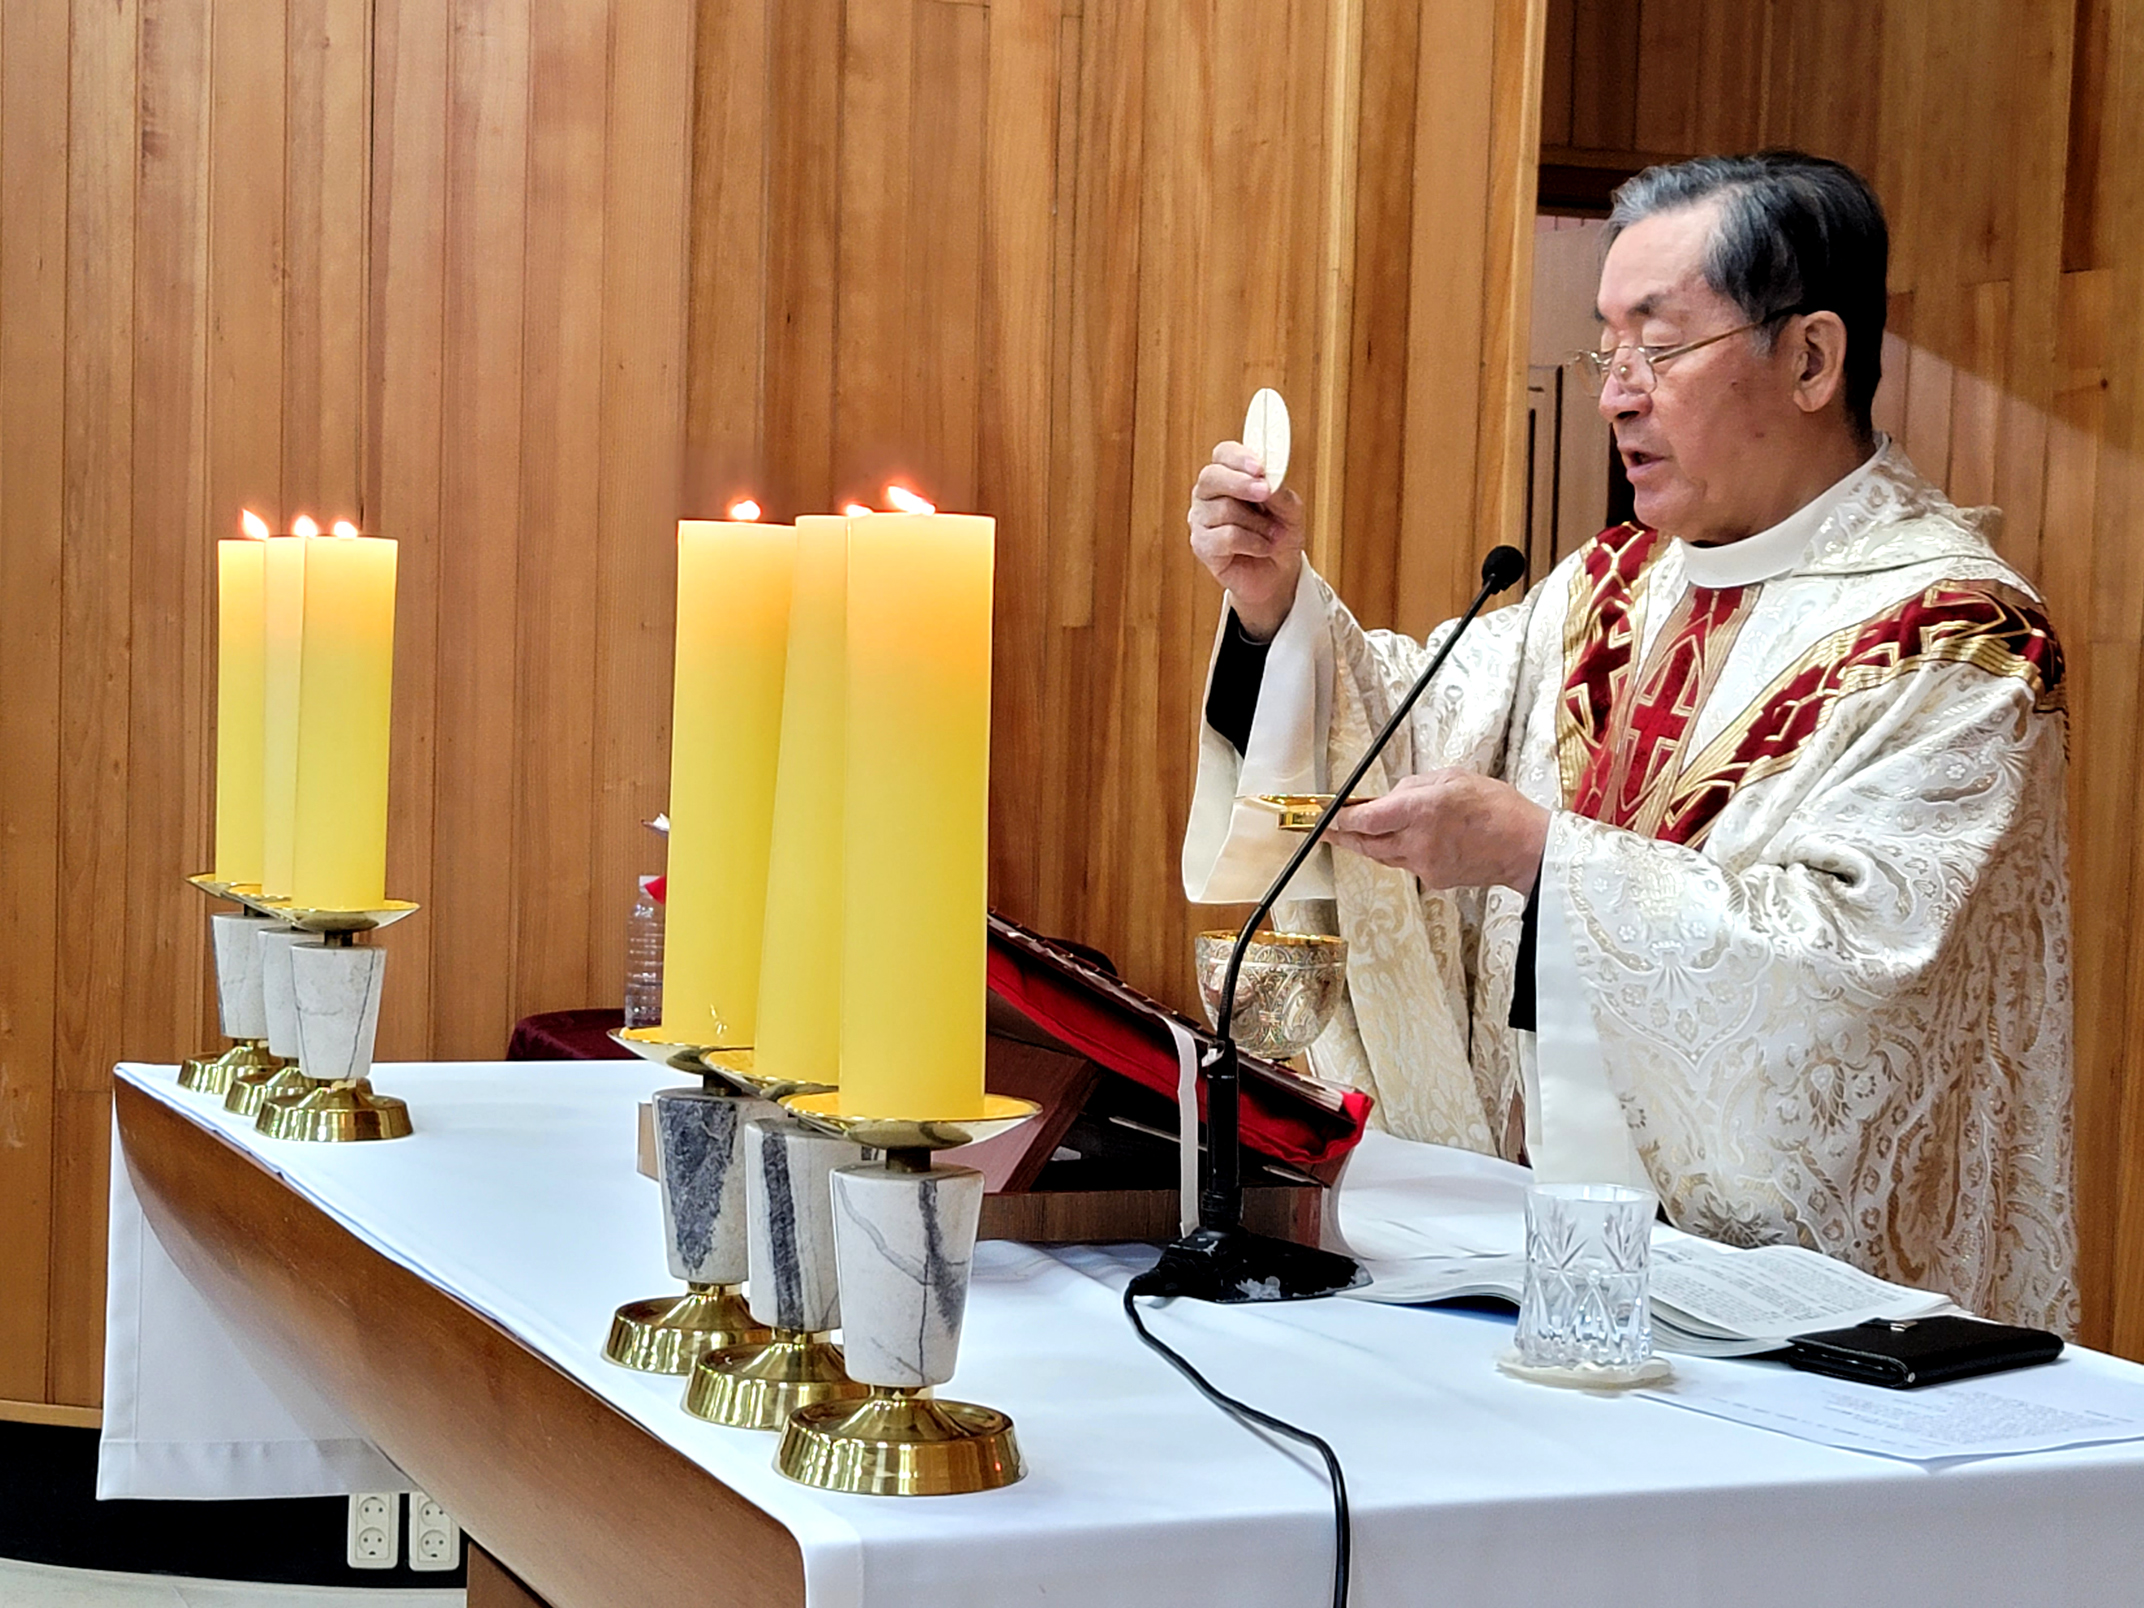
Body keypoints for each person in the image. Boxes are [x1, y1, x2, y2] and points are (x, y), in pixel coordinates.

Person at [1181, 152, 2075, 1331]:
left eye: (1656, 348)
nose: (1613, 393)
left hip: (1811, 1333)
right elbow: (1405, 725)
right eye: (1606, 350)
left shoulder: (1953, 642)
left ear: (1810, 358)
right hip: (1530, 1278)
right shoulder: (1610, 586)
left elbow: (1862, 975)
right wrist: (1273, 608)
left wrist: (1544, 860)